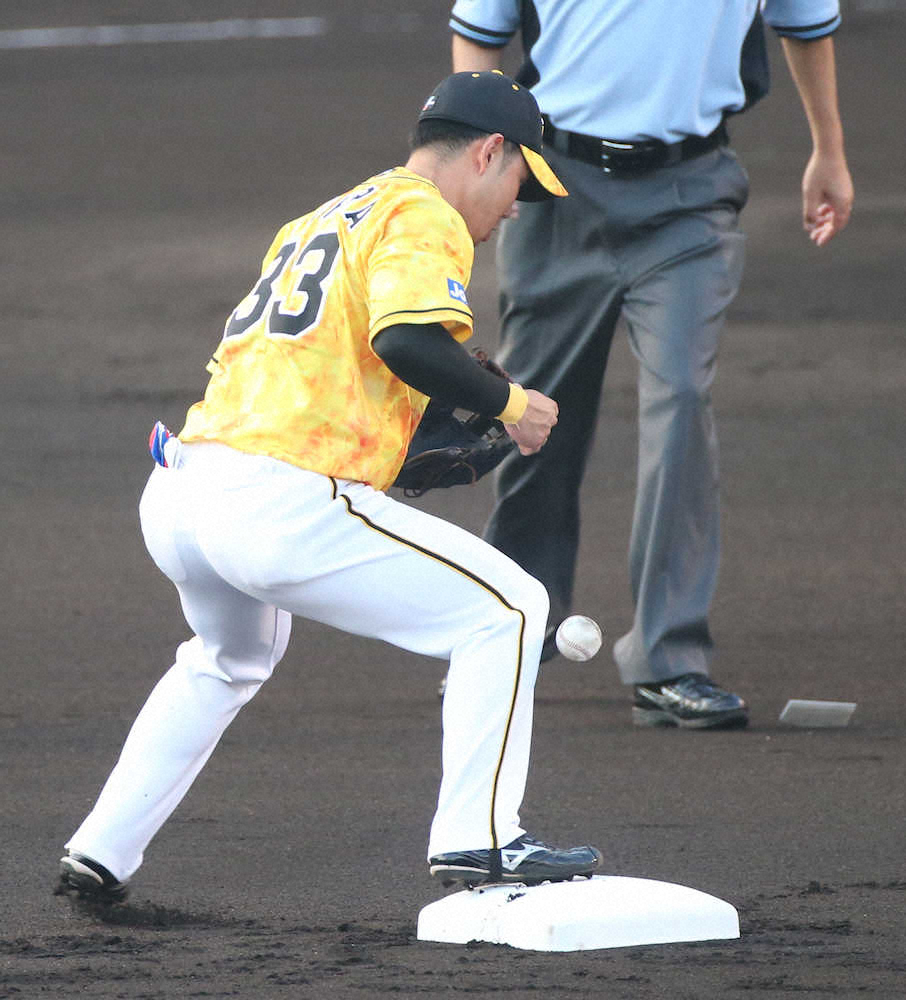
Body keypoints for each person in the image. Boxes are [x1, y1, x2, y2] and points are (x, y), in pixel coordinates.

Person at [55, 71, 603, 904]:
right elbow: (409, 339)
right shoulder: (425, 212)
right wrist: (511, 405)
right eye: (520, 181)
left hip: (183, 488)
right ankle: (480, 839)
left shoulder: (322, 217)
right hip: (274, 504)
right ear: (490, 152)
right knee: (511, 608)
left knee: (229, 658)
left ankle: (100, 849)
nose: (515, 208)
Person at [448, 0, 854, 729]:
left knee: (682, 402)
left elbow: (807, 24)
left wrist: (829, 149)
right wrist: (485, 160)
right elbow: (478, 34)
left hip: (690, 196)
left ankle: (670, 659)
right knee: (536, 413)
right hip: (553, 186)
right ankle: (511, 630)